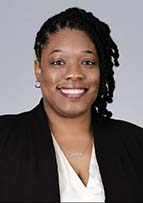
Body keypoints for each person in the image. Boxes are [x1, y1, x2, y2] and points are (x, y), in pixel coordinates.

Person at [0, 7, 143, 202]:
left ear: (101, 71)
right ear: (38, 70)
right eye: (58, 62)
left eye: (87, 62)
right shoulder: (4, 140)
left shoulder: (135, 143)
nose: (74, 73)